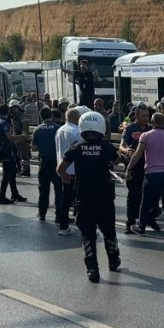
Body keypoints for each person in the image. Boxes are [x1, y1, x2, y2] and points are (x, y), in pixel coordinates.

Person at [57, 111, 122, 283]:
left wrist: (69, 182)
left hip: (83, 195)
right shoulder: (107, 147)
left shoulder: (76, 146)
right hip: (104, 197)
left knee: (87, 234)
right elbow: (117, 161)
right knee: (109, 232)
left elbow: (60, 169)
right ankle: (113, 261)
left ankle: (92, 269)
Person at [127, 113, 164, 239]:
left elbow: (138, 153)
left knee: (145, 202)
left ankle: (142, 227)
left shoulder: (145, 136)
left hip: (151, 173)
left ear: (152, 122)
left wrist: (129, 168)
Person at [119, 104, 154, 232]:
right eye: (143, 116)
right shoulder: (130, 128)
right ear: (137, 116)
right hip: (133, 165)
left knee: (149, 195)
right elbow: (121, 146)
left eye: (147, 116)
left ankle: (149, 219)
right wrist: (126, 150)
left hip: (148, 165)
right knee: (133, 195)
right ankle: (130, 222)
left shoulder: (151, 129)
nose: (146, 118)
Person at [54, 108, 82, 235]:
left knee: (65, 198)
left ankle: (63, 225)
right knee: (80, 199)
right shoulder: (76, 131)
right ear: (76, 118)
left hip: (63, 168)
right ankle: (83, 226)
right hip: (75, 169)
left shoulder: (59, 130)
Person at [32, 107, 61, 222]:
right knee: (59, 190)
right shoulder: (58, 128)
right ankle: (59, 215)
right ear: (51, 116)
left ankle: (42, 213)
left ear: (41, 117)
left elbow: (34, 148)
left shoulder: (37, 129)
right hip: (56, 162)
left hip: (44, 162)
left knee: (43, 190)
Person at [0, 105, 25, 205]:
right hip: (7, 150)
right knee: (7, 174)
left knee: (12, 172)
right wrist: (23, 136)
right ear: (7, 111)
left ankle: (14, 193)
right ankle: (1, 196)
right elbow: (10, 138)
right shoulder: (3, 123)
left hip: (2, 149)